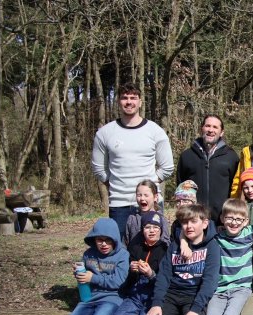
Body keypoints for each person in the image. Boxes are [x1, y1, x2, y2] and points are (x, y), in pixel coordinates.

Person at [91, 83, 175, 237]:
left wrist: (150, 185)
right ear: (118, 101)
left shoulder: (155, 131)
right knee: (122, 250)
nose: (129, 102)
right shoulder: (105, 133)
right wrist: (115, 184)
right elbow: (98, 169)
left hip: (151, 205)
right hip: (119, 205)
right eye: (124, 98)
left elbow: (167, 167)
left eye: (133, 98)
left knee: (154, 249)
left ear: (140, 102)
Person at [177, 114, 241, 221]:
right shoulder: (187, 156)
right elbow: (180, 187)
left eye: (215, 127)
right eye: (208, 126)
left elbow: (235, 189)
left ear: (222, 132)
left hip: (222, 222)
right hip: (193, 219)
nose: (211, 130)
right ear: (201, 128)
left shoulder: (231, 157)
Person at [123, 180, 171, 246]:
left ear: (155, 197)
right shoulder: (132, 219)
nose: (142, 198)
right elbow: (125, 243)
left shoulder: (161, 219)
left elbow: (166, 242)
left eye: (146, 195)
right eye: (139, 195)